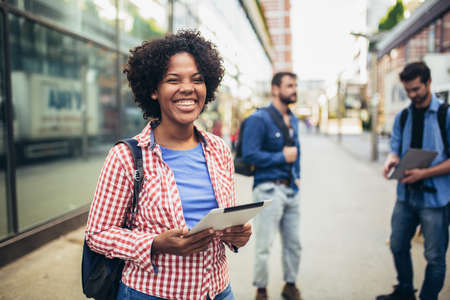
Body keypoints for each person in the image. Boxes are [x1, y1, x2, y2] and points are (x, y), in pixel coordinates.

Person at [84, 30, 252, 300]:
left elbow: (224, 220)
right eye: (173, 80)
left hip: (218, 291)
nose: (188, 88)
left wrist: (237, 235)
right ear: (153, 90)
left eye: (197, 80)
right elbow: (97, 234)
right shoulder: (126, 156)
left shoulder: (219, 149)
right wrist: (154, 244)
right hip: (151, 294)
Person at [378, 62, 450, 300]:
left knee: (435, 257)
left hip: (436, 200)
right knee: (397, 244)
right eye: (408, 90)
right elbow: (395, 149)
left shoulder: (445, 115)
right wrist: (391, 160)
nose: (412, 95)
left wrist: (424, 174)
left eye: (416, 89)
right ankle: (405, 290)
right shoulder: (403, 116)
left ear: (429, 83)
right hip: (406, 197)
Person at [242, 72, 302, 300]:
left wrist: (297, 176)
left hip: (290, 190)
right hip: (268, 189)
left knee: (294, 244)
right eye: (289, 85)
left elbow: (296, 152)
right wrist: (281, 158)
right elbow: (249, 154)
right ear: (275, 89)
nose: (294, 90)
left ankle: (290, 285)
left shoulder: (293, 119)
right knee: (264, 245)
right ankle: (261, 290)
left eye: (295, 85)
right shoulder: (259, 119)